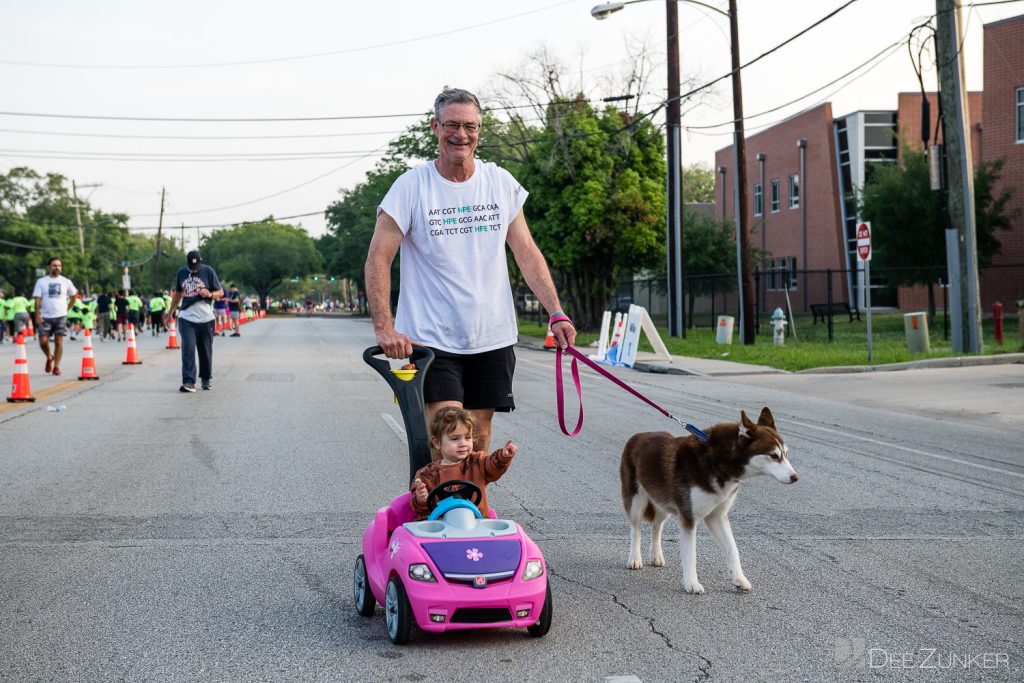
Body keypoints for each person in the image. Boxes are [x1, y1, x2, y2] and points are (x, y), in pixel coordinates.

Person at [365, 87, 576, 455]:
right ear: (435, 126)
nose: (461, 134)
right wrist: (384, 327)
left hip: (491, 336)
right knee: (448, 440)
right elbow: (378, 258)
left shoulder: (500, 183)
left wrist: (555, 311)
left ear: (479, 130)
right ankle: (442, 509)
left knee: (476, 444)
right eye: (452, 125)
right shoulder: (412, 187)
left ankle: (472, 510)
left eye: (470, 126)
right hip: (429, 339)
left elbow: (526, 251)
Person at [409, 407, 516, 520]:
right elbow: (419, 509)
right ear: (437, 442)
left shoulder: (478, 462)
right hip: (441, 531)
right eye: (455, 439)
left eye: (467, 437)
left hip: (477, 526)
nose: (463, 444)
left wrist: (503, 456)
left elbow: (493, 466)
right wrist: (421, 499)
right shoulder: (427, 475)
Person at [165, 250, 223, 393]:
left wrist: (209, 293)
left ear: (200, 261)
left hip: (206, 317)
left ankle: (206, 378)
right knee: (188, 349)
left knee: (205, 350)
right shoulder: (181, 273)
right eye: (191, 266)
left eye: (196, 266)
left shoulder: (208, 271)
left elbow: (220, 292)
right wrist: (170, 312)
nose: (194, 269)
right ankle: (189, 382)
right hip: (186, 317)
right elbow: (178, 294)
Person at [32, 257, 77, 376]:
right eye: (54, 265)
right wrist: (37, 314)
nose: (57, 267)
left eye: (59, 265)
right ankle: (49, 356)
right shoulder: (41, 282)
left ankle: (56, 366)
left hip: (61, 315)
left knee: (59, 341)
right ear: (49, 267)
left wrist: (68, 308)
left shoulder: (66, 281)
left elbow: (74, 295)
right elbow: (37, 299)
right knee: (43, 341)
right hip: (45, 316)